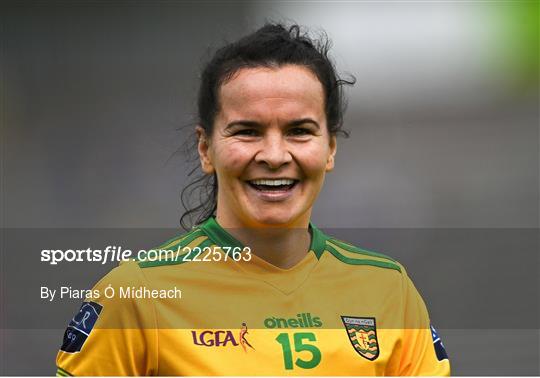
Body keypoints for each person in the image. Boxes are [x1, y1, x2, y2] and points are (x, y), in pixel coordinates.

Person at [56, 23, 450, 376]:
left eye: (299, 130)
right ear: (206, 149)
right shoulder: (137, 296)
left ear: (329, 148)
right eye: (247, 131)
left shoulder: (389, 291)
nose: (275, 155)